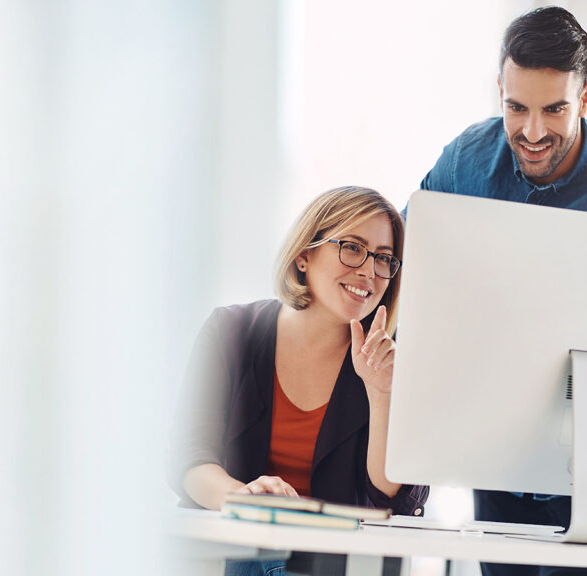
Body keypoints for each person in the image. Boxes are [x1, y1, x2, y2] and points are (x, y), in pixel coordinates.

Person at [418, 6, 587, 576]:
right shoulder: (465, 163)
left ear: (585, 96)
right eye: (517, 108)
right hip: (496, 437)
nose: (533, 133)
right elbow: (413, 262)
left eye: (554, 109)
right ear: (500, 92)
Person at [168, 186, 428, 576]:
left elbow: (392, 499)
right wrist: (245, 500)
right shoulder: (231, 332)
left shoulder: (391, 359)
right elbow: (189, 458)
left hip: (335, 560)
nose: (369, 271)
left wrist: (381, 393)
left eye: (383, 258)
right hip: (234, 547)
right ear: (304, 255)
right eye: (352, 248)